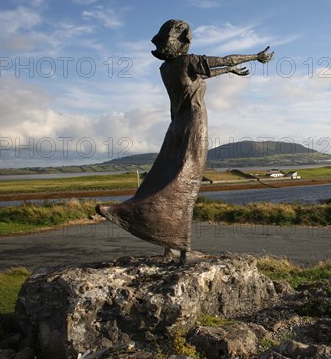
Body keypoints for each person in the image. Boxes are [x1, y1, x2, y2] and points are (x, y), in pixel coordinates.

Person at [96, 19, 274, 259]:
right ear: (180, 43)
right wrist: (255, 56)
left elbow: (200, 75)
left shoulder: (167, 68)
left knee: (167, 175)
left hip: (176, 125)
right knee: (186, 184)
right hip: (194, 125)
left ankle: (168, 244)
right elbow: (226, 59)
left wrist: (228, 72)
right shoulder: (188, 61)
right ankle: (180, 247)